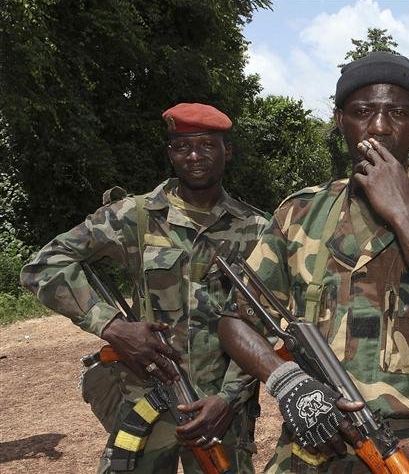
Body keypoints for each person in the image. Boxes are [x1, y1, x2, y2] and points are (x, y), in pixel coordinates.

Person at [219, 51, 409, 473]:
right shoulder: (301, 213)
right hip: (308, 448)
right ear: (340, 120)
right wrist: (286, 383)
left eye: (398, 113)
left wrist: (406, 215)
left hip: (401, 455)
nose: (378, 127)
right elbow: (235, 320)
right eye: (362, 112)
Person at [20, 103, 268, 473]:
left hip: (222, 411)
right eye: (183, 147)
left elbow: (262, 323)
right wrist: (111, 326)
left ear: (226, 151)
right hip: (147, 398)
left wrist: (229, 398)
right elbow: (43, 265)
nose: (195, 156)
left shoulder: (257, 229)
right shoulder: (133, 216)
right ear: (171, 153)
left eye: (207, 145)